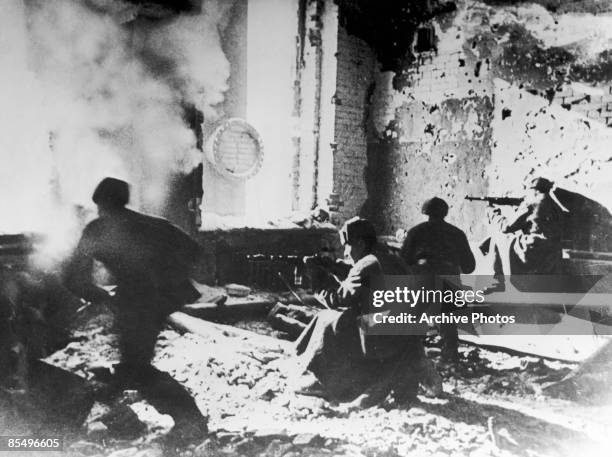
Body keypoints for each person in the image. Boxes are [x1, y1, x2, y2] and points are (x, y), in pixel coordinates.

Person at [63, 177, 207, 442]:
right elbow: (194, 251)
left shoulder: (98, 228)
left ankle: (190, 419)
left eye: (99, 206)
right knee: (135, 361)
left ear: (102, 203)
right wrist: (163, 279)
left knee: (137, 366)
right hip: (155, 297)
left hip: (139, 300)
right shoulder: (154, 224)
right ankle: (116, 399)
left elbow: (72, 276)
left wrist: (102, 296)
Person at [294, 217, 426, 408]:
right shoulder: (391, 257)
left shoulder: (366, 265)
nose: (346, 252)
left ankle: (325, 382)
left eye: (347, 246)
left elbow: (337, 299)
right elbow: (362, 275)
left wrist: (318, 276)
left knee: (330, 318)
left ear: (361, 243)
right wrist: (333, 266)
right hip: (408, 337)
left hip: (380, 342)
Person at [400, 197, 476, 361]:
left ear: (426, 212)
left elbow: (403, 260)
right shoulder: (457, 233)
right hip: (449, 280)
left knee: (413, 317)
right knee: (448, 318)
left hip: (423, 280)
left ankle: (410, 354)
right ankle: (451, 352)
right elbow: (470, 266)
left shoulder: (416, 231)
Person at [485, 177, 563, 292]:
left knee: (498, 235)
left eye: (527, 190)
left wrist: (493, 213)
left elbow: (506, 227)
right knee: (511, 235)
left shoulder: (531, 204)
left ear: (534, 190)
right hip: (550, 255)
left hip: (531, 251)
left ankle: (498, 281)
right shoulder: (555, 206)